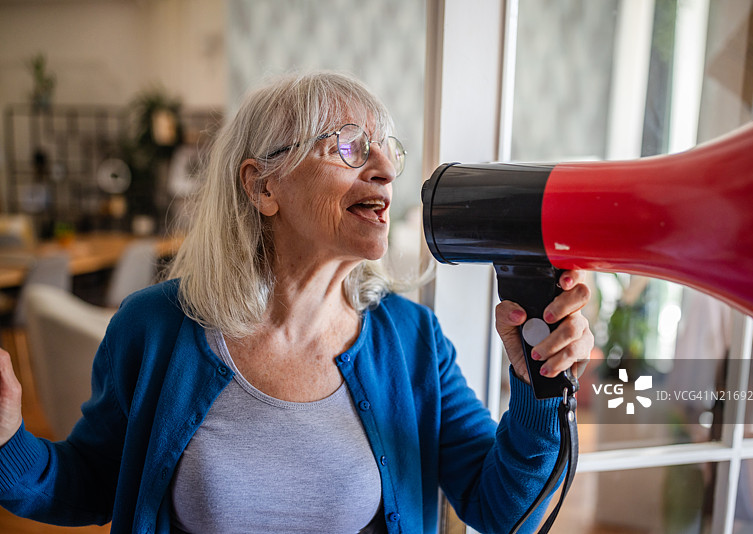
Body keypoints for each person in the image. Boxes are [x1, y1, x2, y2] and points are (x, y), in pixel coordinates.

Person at [0, 71, 593, 533]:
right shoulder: (153, 329)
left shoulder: (412, 340)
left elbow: (503, 509)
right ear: (262, 186)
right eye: (351, 148)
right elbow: (86, 484)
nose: (386, 170)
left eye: (388, 150)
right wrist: (6, 441)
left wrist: (539, 385)